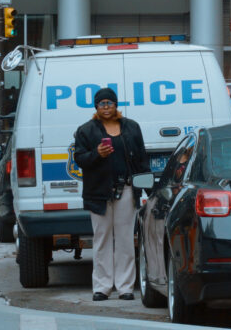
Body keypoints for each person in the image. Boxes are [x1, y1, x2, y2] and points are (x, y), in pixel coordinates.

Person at [74, 88, 149, 301]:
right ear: (96, 107)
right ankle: (102, 287)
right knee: (101, 239)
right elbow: (79, 159)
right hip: (98, 193)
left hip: (126, 189)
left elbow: (142, 159)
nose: (106, 107)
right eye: (101, 104)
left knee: (126, 239)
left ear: (116, 105)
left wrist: (148, 188)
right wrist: (96, 154)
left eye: (109, 103)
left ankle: (125, 287)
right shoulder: (85, 131)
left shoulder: (132, 128)